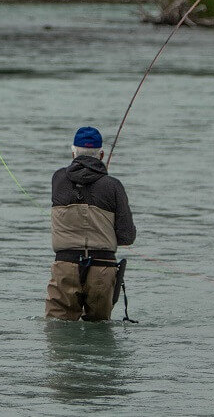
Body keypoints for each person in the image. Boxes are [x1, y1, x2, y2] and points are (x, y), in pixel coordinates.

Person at [45, 126, 136, 321]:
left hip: (65, 266)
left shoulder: (58, 179)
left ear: (72, 152)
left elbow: (79, 180)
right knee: (99, 334)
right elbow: (127, 236)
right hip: (102, 269)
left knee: (58, 332)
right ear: (101, 154)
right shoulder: (113, 185)